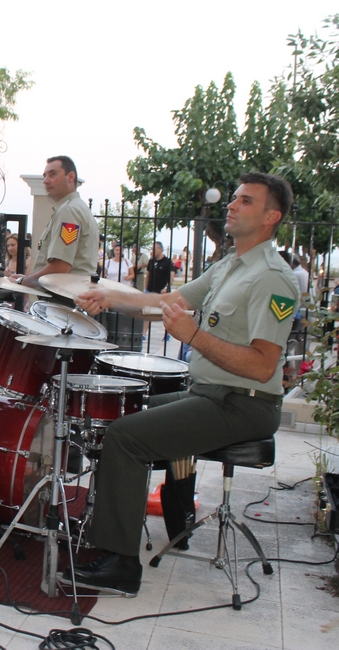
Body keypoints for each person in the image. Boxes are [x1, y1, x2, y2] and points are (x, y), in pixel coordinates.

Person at [71, 172, 299, 595]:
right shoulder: (230, 265)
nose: (232, 205)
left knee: (124, 437)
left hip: (243, 403)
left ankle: (121, 564)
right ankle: (108, 531)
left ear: (271, 217)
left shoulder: (272, 277)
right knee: (119, 418)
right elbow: (166, 302)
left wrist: (193, 335)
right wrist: (111, 297)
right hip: (209, 394)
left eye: (245, 201)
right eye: (234, 198)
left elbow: (263, 366)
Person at [9, 156, 99, 289]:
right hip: (72, 293)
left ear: (70, 177)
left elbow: (61, 266)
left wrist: (23, 281)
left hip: (64, 295)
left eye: (52, 174)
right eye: (44, 176)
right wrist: (27, 279)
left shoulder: (69, 210)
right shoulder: (77, 207)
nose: (46, 181)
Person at [143, 241, 177, 340]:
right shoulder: (151, 261)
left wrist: (167, 287)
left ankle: (167, 334)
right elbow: (148, 275)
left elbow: (171, 275)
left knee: (165, 313)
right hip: (150, 291)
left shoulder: (167, 262)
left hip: (162, 292)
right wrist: (146, 288)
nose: (152, 251)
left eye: (154, 249)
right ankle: (144, 333)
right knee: (148, 313)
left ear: (160, 249)